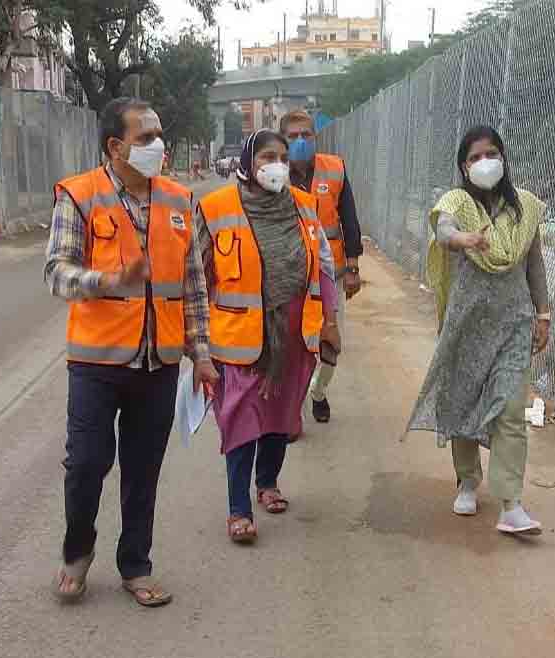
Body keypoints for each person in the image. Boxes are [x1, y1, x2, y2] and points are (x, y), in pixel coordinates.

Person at [44, 97, 219, 606]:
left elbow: (193, 289)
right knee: (86, 464)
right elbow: (57, 272)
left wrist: (201, 352)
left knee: (144, 471)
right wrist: (108, 280)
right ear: (115, 147)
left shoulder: (180, 201)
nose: (157, 146)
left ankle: (135, 566)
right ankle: (77, 552)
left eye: (159, 135)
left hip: (158, 365)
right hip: (96, 364)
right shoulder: (80, 196)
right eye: (145, 138)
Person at [195, 129, 341, 544]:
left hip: (294, 328)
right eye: (266, 157)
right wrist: (197, 344)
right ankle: (238, 508)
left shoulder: (304, 207)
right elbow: (198, 277)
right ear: (246, 163)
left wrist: (329, 319)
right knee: (241, 417)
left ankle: (268, 483)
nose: (276, 164)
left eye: (281, 157)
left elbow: (323, 266)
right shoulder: (216, 208)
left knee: (281, 412)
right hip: (239, 331)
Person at [406, 125, 551, 536]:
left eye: (491, 153)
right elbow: (442, 228)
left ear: (503, 158)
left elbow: (534, 264)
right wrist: (460, 239)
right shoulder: (457, 201)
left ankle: (511, 504)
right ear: (463, 166)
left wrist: (543, 315)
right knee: (464, 401)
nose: (483, 162)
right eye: (474, 157)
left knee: (509, 411)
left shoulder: (523, 207)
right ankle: (467, 480)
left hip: (512, 326)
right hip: (467, 325)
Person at [280, 110, 362, 424]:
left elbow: (350, 220)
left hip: (331, 274)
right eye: (293, 136)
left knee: (330, 342)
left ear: (316, 137)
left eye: (306, 135)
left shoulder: (335, 169)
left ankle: (318, 392)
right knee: (291, 344)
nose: (301, 141)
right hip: (289, 275)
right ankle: (291, 409)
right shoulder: (274, 172)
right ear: (283, 140)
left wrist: (353, 269)